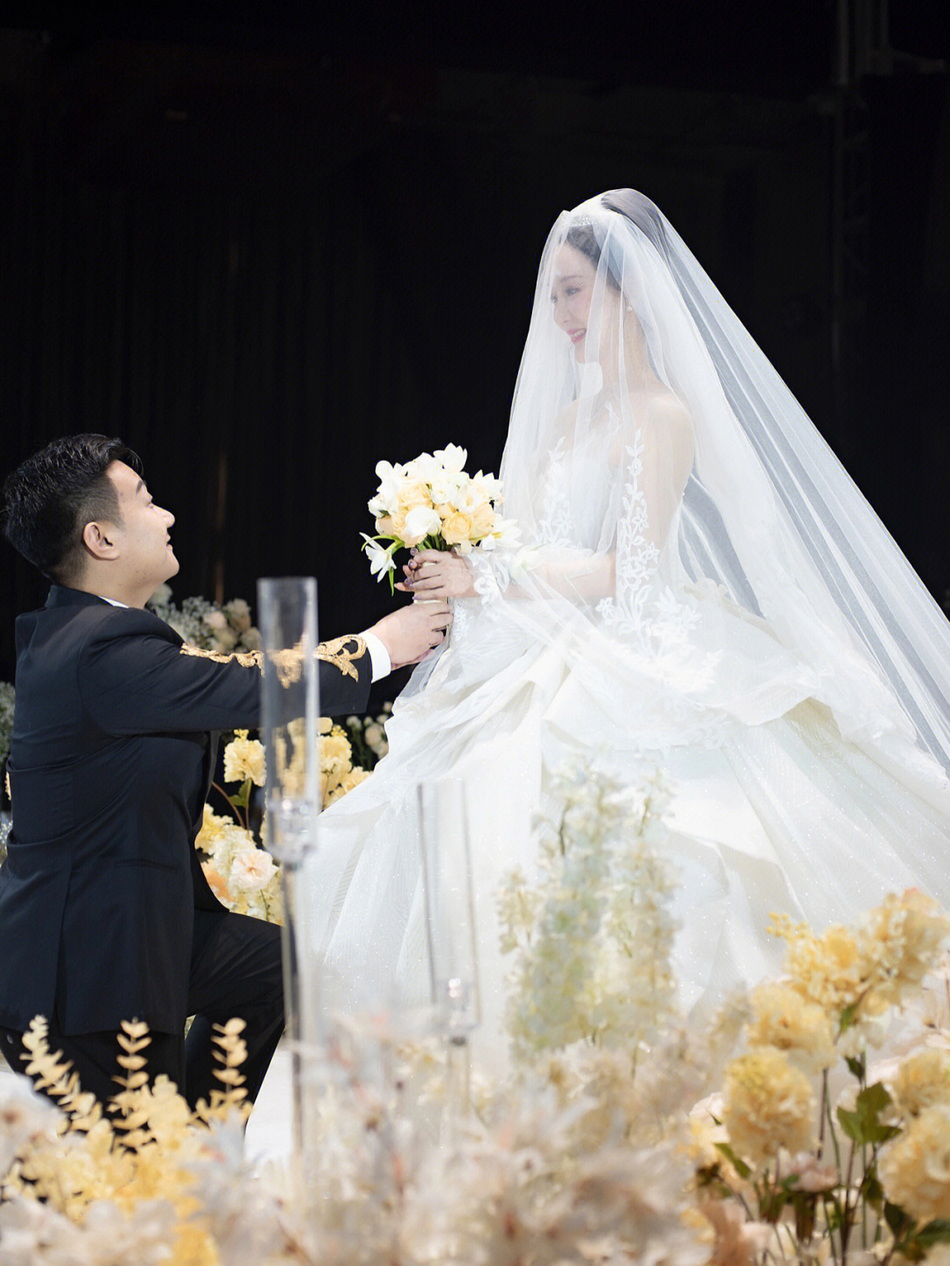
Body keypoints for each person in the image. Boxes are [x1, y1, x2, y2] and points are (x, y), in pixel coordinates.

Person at [304, 191, 950, 1064]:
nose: (561, 315)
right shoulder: (569, 418)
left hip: (628, 647)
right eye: (554, 296)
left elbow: (628, 575)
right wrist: (463, 565)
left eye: (575, 292)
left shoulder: (661, 415)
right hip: (541, 642)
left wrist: (490, 576)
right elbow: (536, 545)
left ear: (630, 291)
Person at [0, 433, 451, 1109]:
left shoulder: (83, 635)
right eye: (145, 501)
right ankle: (189, 1143)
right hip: (85, 969)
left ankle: (208, 1137)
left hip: (144, 926)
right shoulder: (95, 647)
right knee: (122, 1166)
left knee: (277, 972)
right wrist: (378, 648)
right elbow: (243, 681)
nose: (167, 516)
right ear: (102, 538)